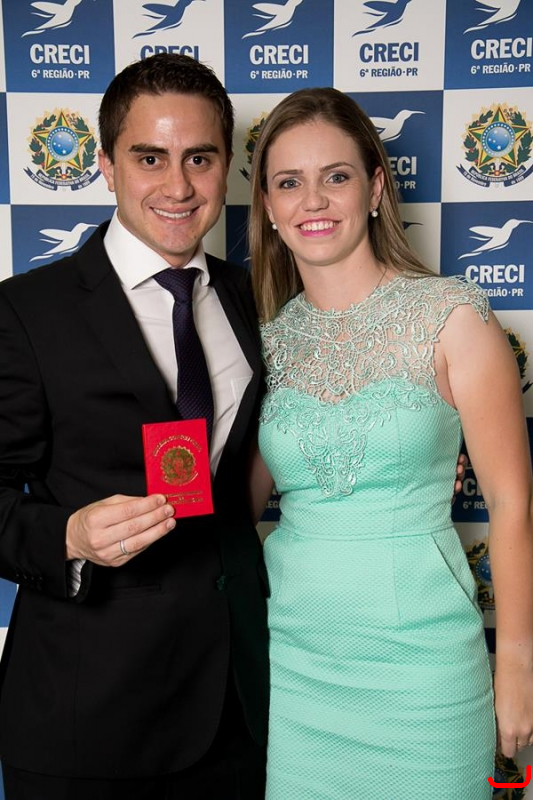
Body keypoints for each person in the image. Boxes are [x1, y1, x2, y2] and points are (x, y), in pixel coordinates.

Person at [247, 87, 533, 798]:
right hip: (294, 668)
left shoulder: (452, 316)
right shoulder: (263, 344)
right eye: (289, 182)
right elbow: (230, 510)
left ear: (374, 188)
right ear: (269, 207)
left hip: (423, 670)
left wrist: (517, 667)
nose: (313, 200)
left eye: (336, 176)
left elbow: (511, 503)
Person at [0, 54, 269, 799]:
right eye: (150, 158)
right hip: (88, 715)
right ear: (106, 165)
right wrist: (68, 536)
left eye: (199, 159)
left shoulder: (257, 298)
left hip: (237, 707)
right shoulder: (26, 312)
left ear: (225, 167)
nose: (178, 186)